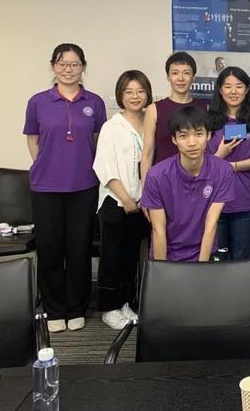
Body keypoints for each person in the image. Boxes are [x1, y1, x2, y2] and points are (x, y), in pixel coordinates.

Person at [23, 43, 107, 333]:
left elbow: (98, 140)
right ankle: (54, 309)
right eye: (62, 64)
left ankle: (76, 308)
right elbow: (33, 139)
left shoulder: (94, 102)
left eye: (74, 64)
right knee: (49, 249)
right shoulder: (38, 102)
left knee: (78, 249)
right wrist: (43, 164)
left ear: (83, 67)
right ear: (53, 66)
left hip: (84, 185)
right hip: (45, 187)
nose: (68, 69)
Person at [93, 70, 152, 330]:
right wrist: (126, 198)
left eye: (140, 91)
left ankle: (125, 302)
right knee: (112, 256)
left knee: (130, 256)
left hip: (141, 202)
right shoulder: (111, 127)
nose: (135, 96)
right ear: (120, 95)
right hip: (116, 202)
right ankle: (109, 308)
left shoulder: (150, 122)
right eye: (129, 92)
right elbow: (104, 167)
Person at [140, 106, 233, 262]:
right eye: (183, 136)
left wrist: (200, 268)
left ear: (209, 135)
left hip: (204, 252)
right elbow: (158, 229)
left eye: (199, 134)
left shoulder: (223, 171)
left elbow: (211, 223)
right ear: (174, 139)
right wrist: (162, 270)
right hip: (167, 253)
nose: (192, 143)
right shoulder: (156, 176)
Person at [206, 67, 250, 260]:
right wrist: (220, 154)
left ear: (247, 89)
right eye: (228, 86)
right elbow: (200, 161)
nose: (233, 91)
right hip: (214, 199)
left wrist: (231, 165)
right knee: (217, 258)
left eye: (239, 86)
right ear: (219, 89)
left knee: (241, 258)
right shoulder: (208, 120)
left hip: (245, 200)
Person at [141, 52, 205, 182]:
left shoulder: (204, 108)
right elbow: (147, 152)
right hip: (163, 179)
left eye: (186, 73)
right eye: (175, 73)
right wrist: (146, 187)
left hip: (196, 180)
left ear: (193, 77)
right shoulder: (154, 109)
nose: (180, 78)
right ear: (168, 77)